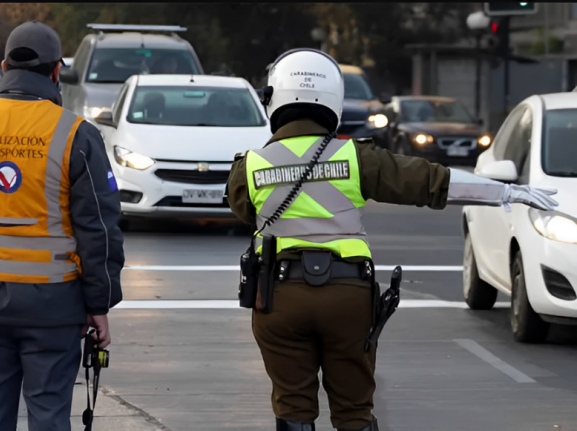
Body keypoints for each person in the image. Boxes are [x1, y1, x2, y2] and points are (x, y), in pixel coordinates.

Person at [225, 49, 558, 431]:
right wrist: (504, 192)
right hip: (347, 296)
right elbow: (431, 181)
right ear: (333, 98)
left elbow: (244, 211)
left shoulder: (249, 166)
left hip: (279, 296)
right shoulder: (356, 159)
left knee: (293, 406)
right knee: (353, 409)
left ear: (274, 99)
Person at [0, 21, 124, 431]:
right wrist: (98, 304)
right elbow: (98, 228)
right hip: (54, 306)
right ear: (56, 72)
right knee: (49, 412)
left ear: (3, 66)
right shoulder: (76, 136)